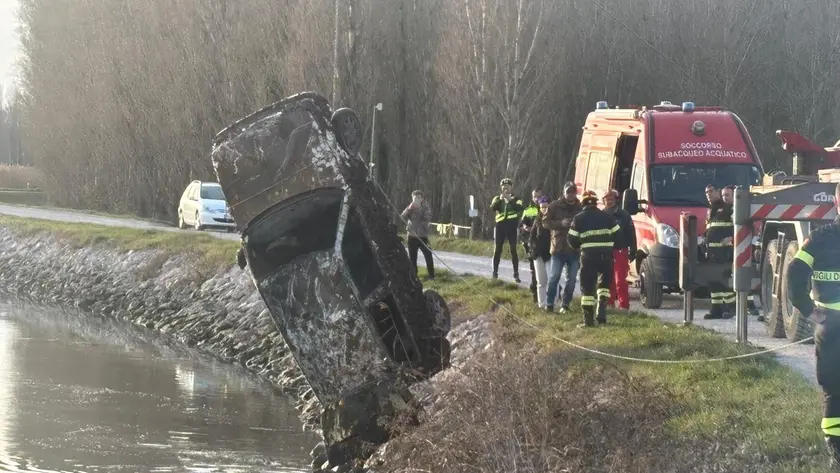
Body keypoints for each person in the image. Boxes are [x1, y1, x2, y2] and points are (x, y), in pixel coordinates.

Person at [786, 182, 840, 467]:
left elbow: (794, 275)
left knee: (834, 389)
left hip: (830, 326)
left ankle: (837, 451)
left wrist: (809, 312)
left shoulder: (819, 238)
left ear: (835, 202)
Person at [567, 190, 620, 327]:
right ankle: (601, 313)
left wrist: (583, 245)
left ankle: (588, 321)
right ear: (596, 202)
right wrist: (608, 245)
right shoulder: (607, 217)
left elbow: (571, 240)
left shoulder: (578, 218)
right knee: (604, 286)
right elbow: (619, 235)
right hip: (606, 256)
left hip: (588, 256)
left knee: (587, 288)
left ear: (583, 203)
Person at [722, 185, 761, 317]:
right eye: (723, 195)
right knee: (734, 275)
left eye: (727, 195)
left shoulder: (743, 208)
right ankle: (735, 307)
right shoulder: (725, 210)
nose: (724, 198)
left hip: (743, 247)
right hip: (731, 249)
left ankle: (749, 305)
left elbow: (750, 228)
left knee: (743, 274)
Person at [545, 182, 583, 313]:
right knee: (554, 276)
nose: (570, 194)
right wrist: (561, 223)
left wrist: (575, 224)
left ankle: (565, 304)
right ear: (563, 192)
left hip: (574, 249)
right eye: (568, 192)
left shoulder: (580, 207)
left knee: (572, 279)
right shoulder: (554, 206)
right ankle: (549, 304)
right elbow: (545, 222)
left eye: (573, 192)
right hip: (558, 248)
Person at [704, 184, 735, 319]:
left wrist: (731, 238)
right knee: (713, 281)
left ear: (718, 191)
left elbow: (738, 226)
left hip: (724, 252)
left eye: (711, 191)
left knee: (724, 279)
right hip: (712, 252)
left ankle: (731, 308)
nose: (708, 195)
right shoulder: (712, 210)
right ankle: (716, 309)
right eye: (706, 193)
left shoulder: (728, 207)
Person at [602, 189, 636, 310]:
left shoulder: (624, 215)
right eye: (607, 199)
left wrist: (633, 250)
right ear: (603, 200)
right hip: (605, 251)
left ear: (616, 200)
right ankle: (609, 303)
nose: (609, 201)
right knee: (607, 279)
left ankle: (624, 306)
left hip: (620, 250)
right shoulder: (600, 216)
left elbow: (631, 233)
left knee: (620, 280)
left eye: (611, 198)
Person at [490, 178, 525, 282]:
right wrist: (501, 199)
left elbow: (519, 208)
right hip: (500, 226)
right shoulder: (497, 198)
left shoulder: (517, 198)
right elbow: (492, 207)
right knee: (497, 250)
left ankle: (516, 274)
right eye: (503, 187)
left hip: (512, 226)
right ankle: (495, 273)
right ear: (501, 188)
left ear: (511, 187)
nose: (505, 188)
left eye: (508, 186)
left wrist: (510, 199)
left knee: (513, 250)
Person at [401, 190, 435, 280]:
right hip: (411, 236)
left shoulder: (426, 208)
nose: (416, 200)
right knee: (412, 258)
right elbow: (402, 217)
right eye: (415, 198)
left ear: (422, 199)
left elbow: (427, 218)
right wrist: (410, 209)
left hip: (423, 236)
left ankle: (431, 274)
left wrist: (419, 208)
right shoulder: (410, 207)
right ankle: (414, 276)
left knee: (428, 255)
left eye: (419, 198)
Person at [520, 188, 545, 303]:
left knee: (549, 271)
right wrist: (525, 228)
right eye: (535, 196)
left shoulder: (546, 207)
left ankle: (553, 295)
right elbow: (522, 224)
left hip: (544, 243)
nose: (536, 199)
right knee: (534, 270)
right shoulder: (528, 210)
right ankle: (535, 293)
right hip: (531, 242)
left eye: (539, 196)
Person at [528, 196, 553, 309]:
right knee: (541, 281)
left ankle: (552, 303)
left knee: (552, 279)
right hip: (538, 254)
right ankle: (541, 304)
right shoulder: (537, 220)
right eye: (542, 207)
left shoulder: (553, 219)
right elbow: (531, 237)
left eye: (546, 207)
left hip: (550, 254)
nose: (544, 209)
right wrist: (533, 249)